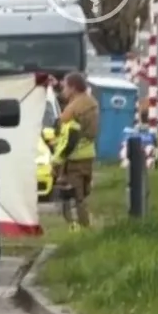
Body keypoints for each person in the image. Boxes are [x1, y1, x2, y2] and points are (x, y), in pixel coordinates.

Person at [51, 71, 101, 229]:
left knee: (74, 197)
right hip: (87, 156)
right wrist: (56, 86)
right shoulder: (90, 102)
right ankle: (83, 226)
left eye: (65, 86)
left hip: (74, 159)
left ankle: (79, 229)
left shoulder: (74, 109)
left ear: (73, 88)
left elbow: (68, 138)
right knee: (82, 195)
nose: (63, 89)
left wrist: (57, 160)